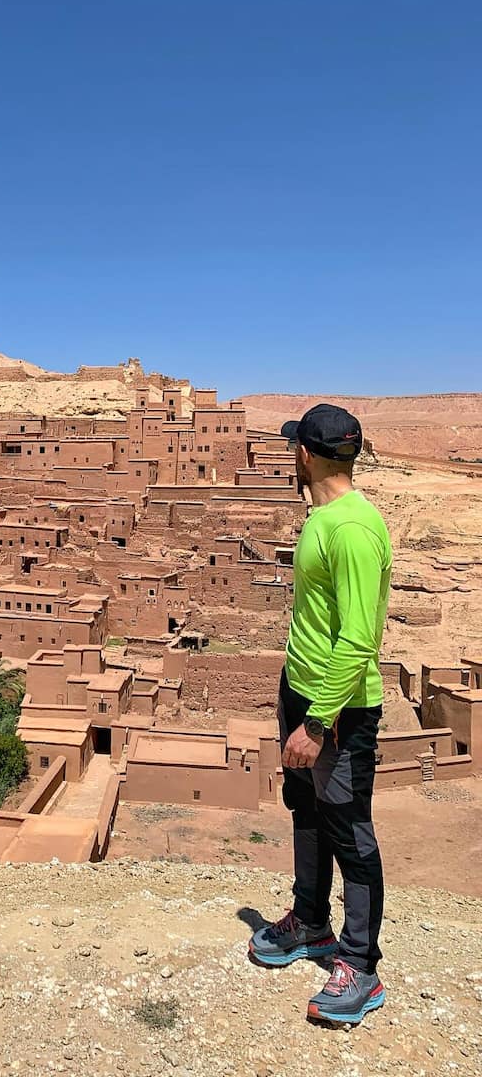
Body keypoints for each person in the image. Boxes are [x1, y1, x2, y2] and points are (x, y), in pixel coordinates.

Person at [248, 404, 392, 1026]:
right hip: (302, 690)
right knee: (306, 809)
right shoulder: (324, 517)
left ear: (305, 454)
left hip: (341, 708)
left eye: (292, 449)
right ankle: (310, 922)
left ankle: (360, 966)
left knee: (349, 831)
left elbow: (360, 637)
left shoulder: (354, 529)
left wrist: (317, 723)